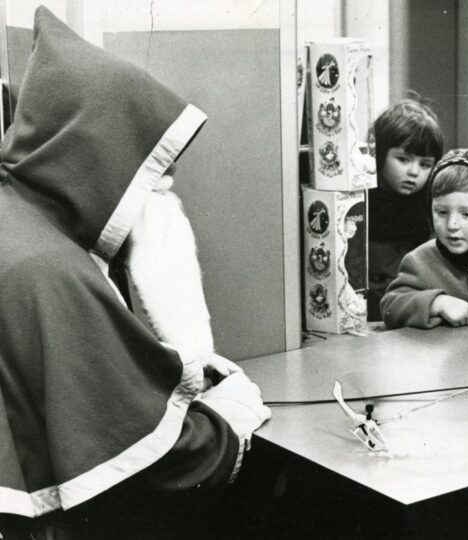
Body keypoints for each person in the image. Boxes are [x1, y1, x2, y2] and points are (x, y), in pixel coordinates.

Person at [0, 7, 270, 539]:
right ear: (93, 158)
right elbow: (156, 463)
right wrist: (232, 418)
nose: (154, 196)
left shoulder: (18, 221)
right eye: (145, 176)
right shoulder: (50, 270)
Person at [381, 143, 468, 329]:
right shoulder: (420, 260)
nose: (452, 225)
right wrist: (436, 303)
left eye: (467, 214)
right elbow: (390, 305)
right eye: (441, 212)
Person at [367, 98, 445, 321]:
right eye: (403, 159)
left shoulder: (432, 206)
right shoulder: (357, 202)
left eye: (425, 164)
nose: (414, 172)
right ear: (380, 155)